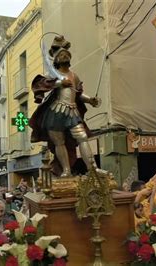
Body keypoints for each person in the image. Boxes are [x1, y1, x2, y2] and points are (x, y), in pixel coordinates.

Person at [29, 35, 104, 178]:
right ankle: (66, 171)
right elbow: (42, 84)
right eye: (60, 54)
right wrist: (59, 83)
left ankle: (93, 169)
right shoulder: (52, 74)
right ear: (56, 59)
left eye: (66, 54)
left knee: (82, 137)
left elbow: (78, 94)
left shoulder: (74, 76)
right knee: (59, 141)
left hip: (72, 111)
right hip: (56, 111)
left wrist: (90, 100)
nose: (63, 56)